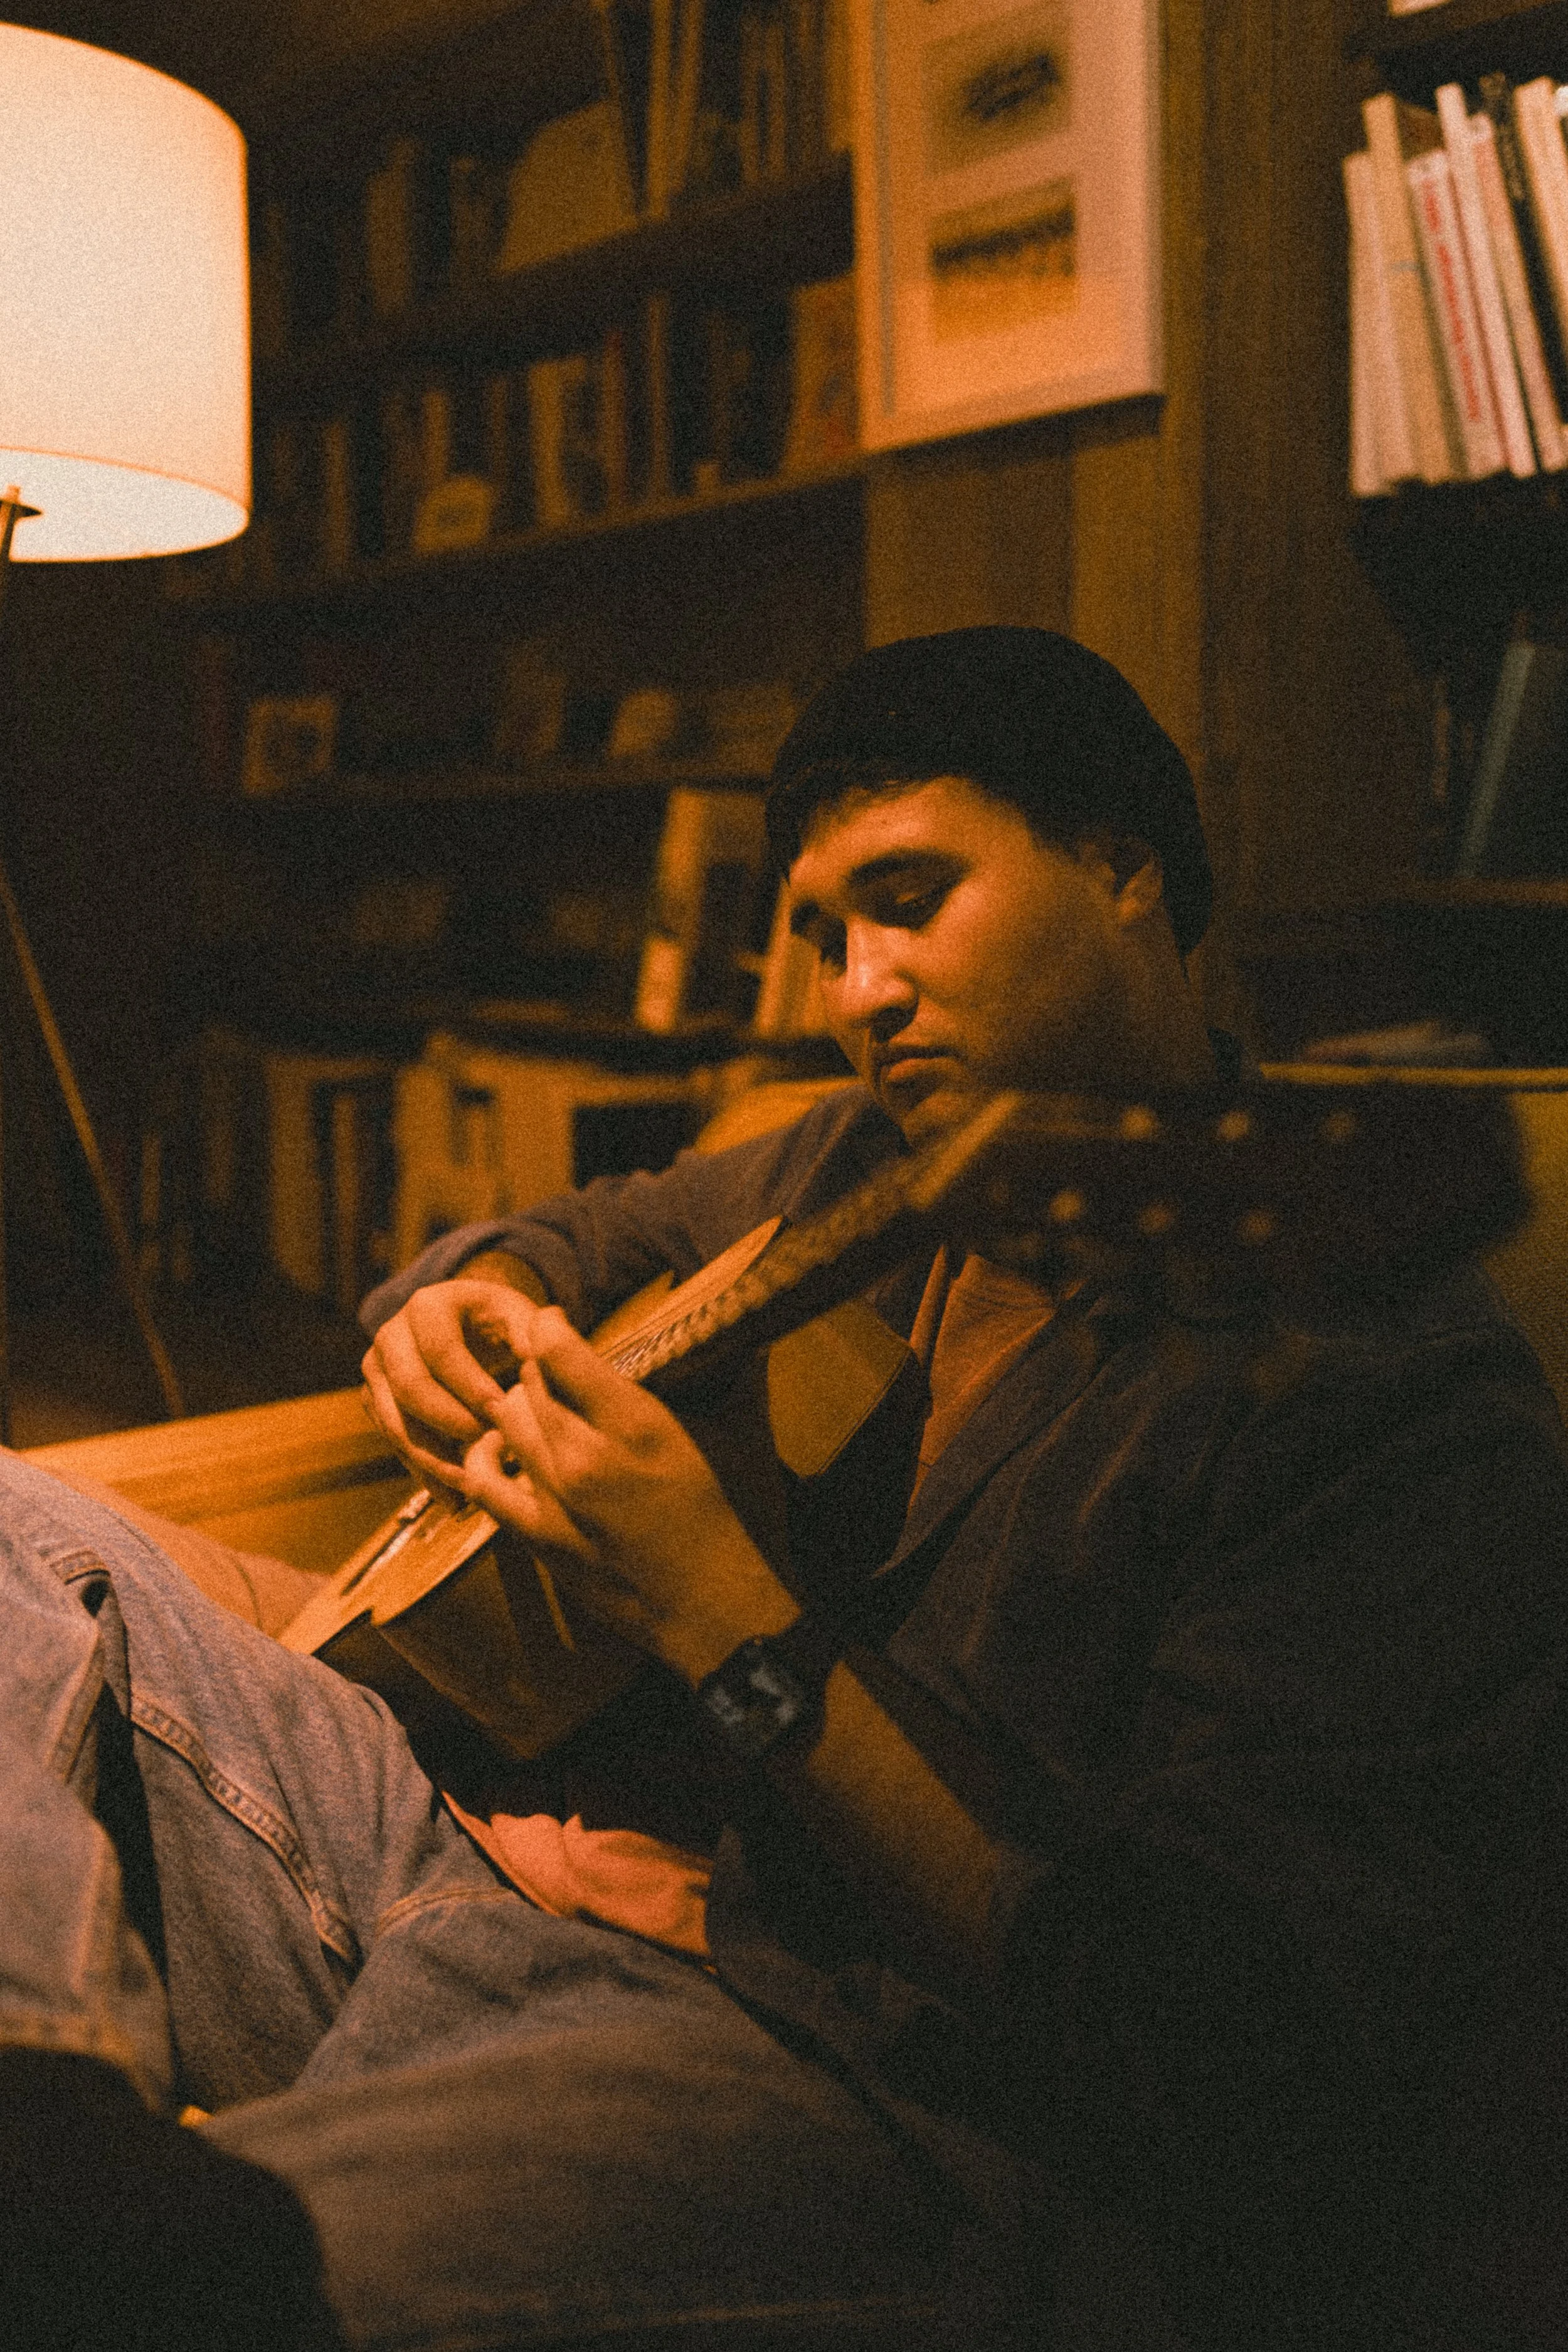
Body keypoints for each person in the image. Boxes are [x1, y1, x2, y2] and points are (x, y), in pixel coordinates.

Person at [0, 628, 1562, 2351]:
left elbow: (1201, 2066)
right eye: (821, 931)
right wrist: (473, 1294)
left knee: (212, 2283)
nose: (853, 990)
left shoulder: (1372, 1388)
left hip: (877, 2104)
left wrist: (714, 1607)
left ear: (1124, 869)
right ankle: (53, 2106)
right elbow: (603, 1232)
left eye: (910, 900)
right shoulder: (863, 1158)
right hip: (530, 1907)